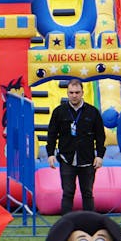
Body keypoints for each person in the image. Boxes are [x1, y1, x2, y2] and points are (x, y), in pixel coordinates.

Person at [46, 79, 105, 214]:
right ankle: (66, 227)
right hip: (66, 158)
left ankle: (90, 226)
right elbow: (52, 134)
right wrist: (50, 154)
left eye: (77, 92)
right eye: (71, 92)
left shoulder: (93, 112)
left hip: (87, 160)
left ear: (82, 93)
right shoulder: (59, 112)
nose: (74, 95)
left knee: (88, 193)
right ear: (67, 93)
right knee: (67, 192)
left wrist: (100, 156)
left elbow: (100, 136)